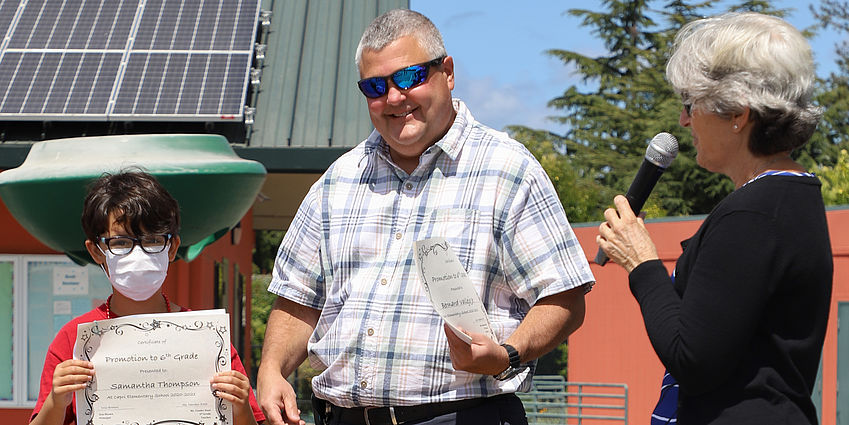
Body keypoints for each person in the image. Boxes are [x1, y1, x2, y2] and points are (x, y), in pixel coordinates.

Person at [257, 8, 595, 425]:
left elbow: (565, 298)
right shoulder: (337, 181)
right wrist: (272, 370)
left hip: (463, 416)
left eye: (410, 77)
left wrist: (506, 354)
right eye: (375, 87)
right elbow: (297, 301)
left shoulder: (507, 170)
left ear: (447, 72)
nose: (395, 97)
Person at [596, 12, 832, 425]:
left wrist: (642, 264)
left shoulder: (754, 213)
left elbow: (693, 358)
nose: (684, 120)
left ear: (738, 113)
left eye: (691, 104)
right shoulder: (790, 196)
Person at [30, 170, 266, 425]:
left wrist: (241, 407)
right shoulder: (72, 340)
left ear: (172, 247)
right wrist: (56, 401)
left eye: (153, 240)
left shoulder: (209, 339)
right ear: (97, 251)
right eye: (120, 243)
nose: (138, 253)